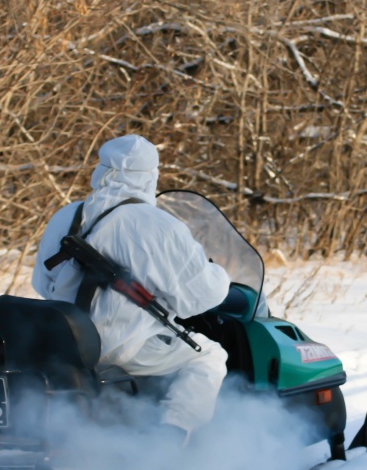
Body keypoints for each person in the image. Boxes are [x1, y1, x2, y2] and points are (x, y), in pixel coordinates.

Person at [32, 135, 231, 443]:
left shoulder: (66, 217)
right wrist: (218, 273)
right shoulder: (158, 225)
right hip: (122, 346)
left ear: (101, 170)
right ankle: (172, 436)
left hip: (66, 342)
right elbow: (199, 299)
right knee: (208, 356)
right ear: (150, 176)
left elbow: (43, 285)